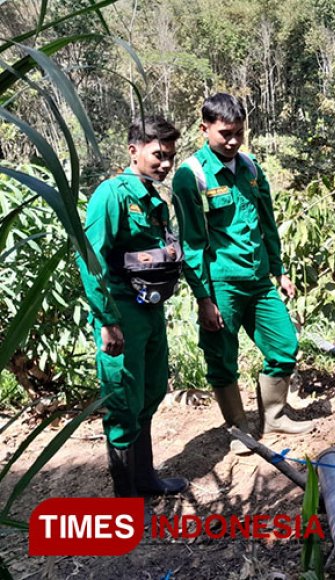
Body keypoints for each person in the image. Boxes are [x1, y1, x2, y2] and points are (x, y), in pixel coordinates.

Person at [172, 93, 313, 456]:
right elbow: (191, 242)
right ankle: (239, 429)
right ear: (204, 129)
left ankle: (275, 415)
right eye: (225, 134)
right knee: (221, 357)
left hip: (259, 280)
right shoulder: (192, 175)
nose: (233, 141)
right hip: (221, 284)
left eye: (239, 132)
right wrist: (204, 299)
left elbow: (267, 222)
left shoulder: (249, 166)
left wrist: (278, 270)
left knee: (283, 346)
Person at [77, 116, 188, 498]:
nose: (166, 164)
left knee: (150, 391)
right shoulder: (113, 194)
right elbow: (90, 257)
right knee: (124, 399)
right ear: (134, 150)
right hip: (121, 312)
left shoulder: (155, 197)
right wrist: (107, 320)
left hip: (150, 310)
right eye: (158, 154)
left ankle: (146, 480)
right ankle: (126, 494)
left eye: (171, 156)